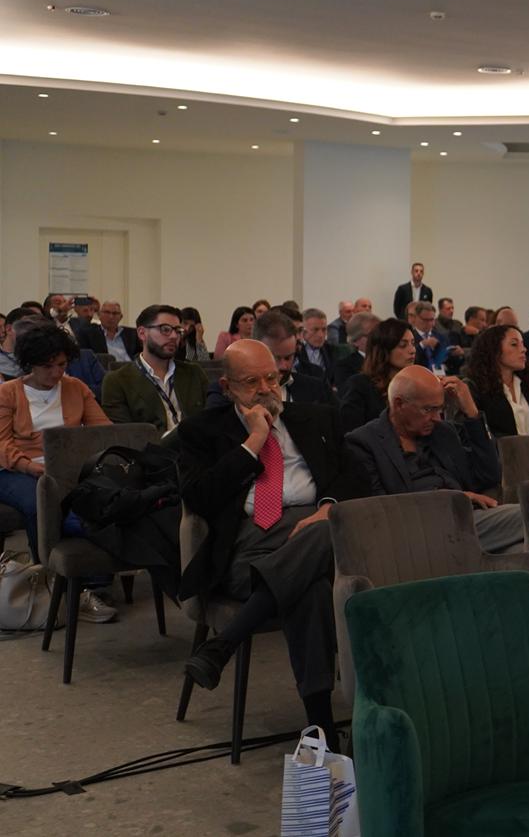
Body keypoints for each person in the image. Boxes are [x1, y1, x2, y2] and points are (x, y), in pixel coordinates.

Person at [177, 340, 368, 750]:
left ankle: (226, 645)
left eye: (272, 378)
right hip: (248, 548)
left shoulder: (317, 417)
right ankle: (323, 732)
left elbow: (355, 476)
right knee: (312, 578)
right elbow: (200, 498)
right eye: (251, 382)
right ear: (227, 386)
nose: (266, 388)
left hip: (315, 529)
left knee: (322, 547)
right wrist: (255, 440)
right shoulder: (200, 431)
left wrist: (327, 508)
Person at [0, 322, 114, 621]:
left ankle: (87, 583)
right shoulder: (8, 392)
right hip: (15, 468)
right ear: (30, 364)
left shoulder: (76, 387)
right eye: (47, 366)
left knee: (97, 500)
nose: (56, 373)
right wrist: (31, 467)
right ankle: (51, 583)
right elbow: (2, 444)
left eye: (62, 365)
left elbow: (102, 431)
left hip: (65, 467)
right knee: (40, 503)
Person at [346, 366, 522, 554]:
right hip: (419, 532)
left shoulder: (442, 432)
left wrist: (472, 412)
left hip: (467, 520)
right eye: (428, 409)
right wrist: (455, 497)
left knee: (525, 552)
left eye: (440, 409)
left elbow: (489, 475)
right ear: (398, 404)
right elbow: (380, 511)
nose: (437, 418)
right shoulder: (364, 443)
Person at [101, 304, 209, 433]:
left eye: (177, 331)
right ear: (142, 333)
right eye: (165, 329)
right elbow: (127, 437)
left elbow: (212, 420)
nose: (174, 336)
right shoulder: (117, 381)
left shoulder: (194, 373)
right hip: (151, 445)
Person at [464, 324, 529, 438]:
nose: (523, 349)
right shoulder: (475, 387)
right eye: (514, 344)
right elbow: (478, 434)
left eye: (522, 344)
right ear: (494, 350)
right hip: (498, 449)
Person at [338, 319, 417, 432]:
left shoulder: (416, 383)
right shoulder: (360, 385)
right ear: (384, 349)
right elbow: (351, 431)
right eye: (402, 345)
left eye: (413, 343)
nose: (412, 350)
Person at [332, 311, 379, 391]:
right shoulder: (344, 367)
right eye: (372, 334)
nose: (379, 338)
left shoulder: (390, 359)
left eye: (380, 333)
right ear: (355, 341)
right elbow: (348, 393)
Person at [405, 300, 451, 373]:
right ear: (416, 318)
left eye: (432, 320)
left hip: (441, 375)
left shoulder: (441, 337)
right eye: (425, 320)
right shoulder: (409, 337)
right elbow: (408, 360)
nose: (429, 323)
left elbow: (449, 361)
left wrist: (457, 355)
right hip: (417, 375)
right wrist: (422, 345)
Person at [296, 308, 335, 375]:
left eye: (324, 329)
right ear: (303, 331)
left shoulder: (331, 351)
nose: (321, 335)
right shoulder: (295, 352)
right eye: (315, 330)